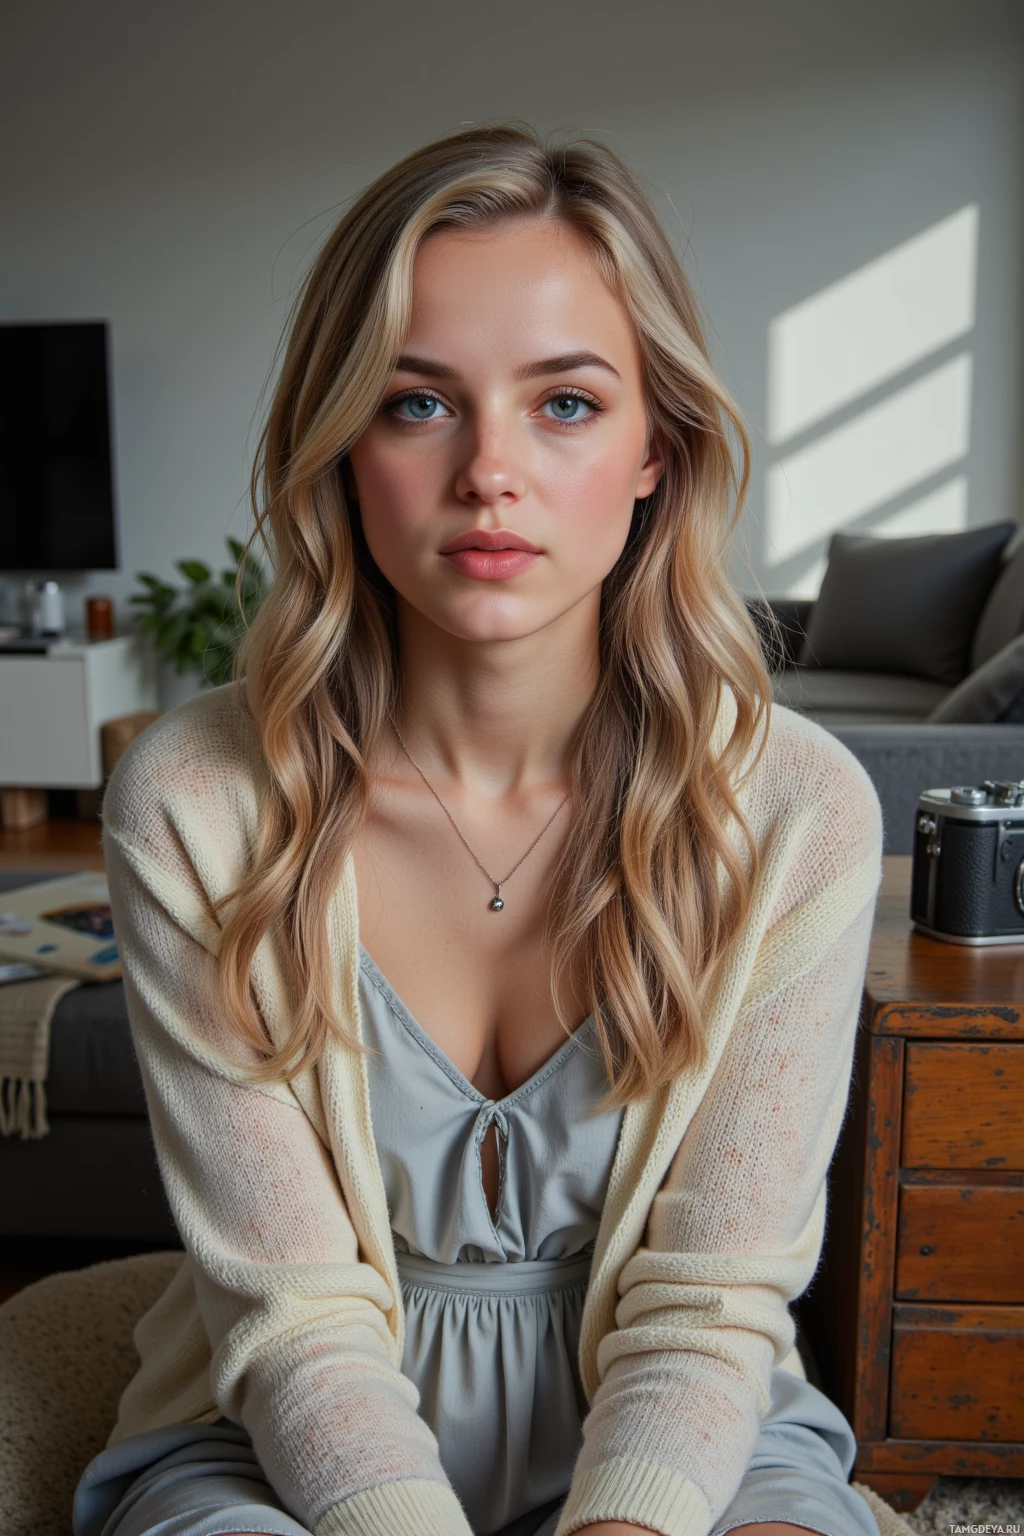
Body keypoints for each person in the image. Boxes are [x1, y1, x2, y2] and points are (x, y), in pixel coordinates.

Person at [73, 124, 884, 1536]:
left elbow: (707, 1308)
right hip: (276, 1440)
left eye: (565, 404)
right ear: (339, 447)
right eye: (416, 403)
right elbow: (295, 1317)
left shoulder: (798, 813)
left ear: (656, 451)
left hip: (688, 1440)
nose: (488, 473)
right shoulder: (192, 802)